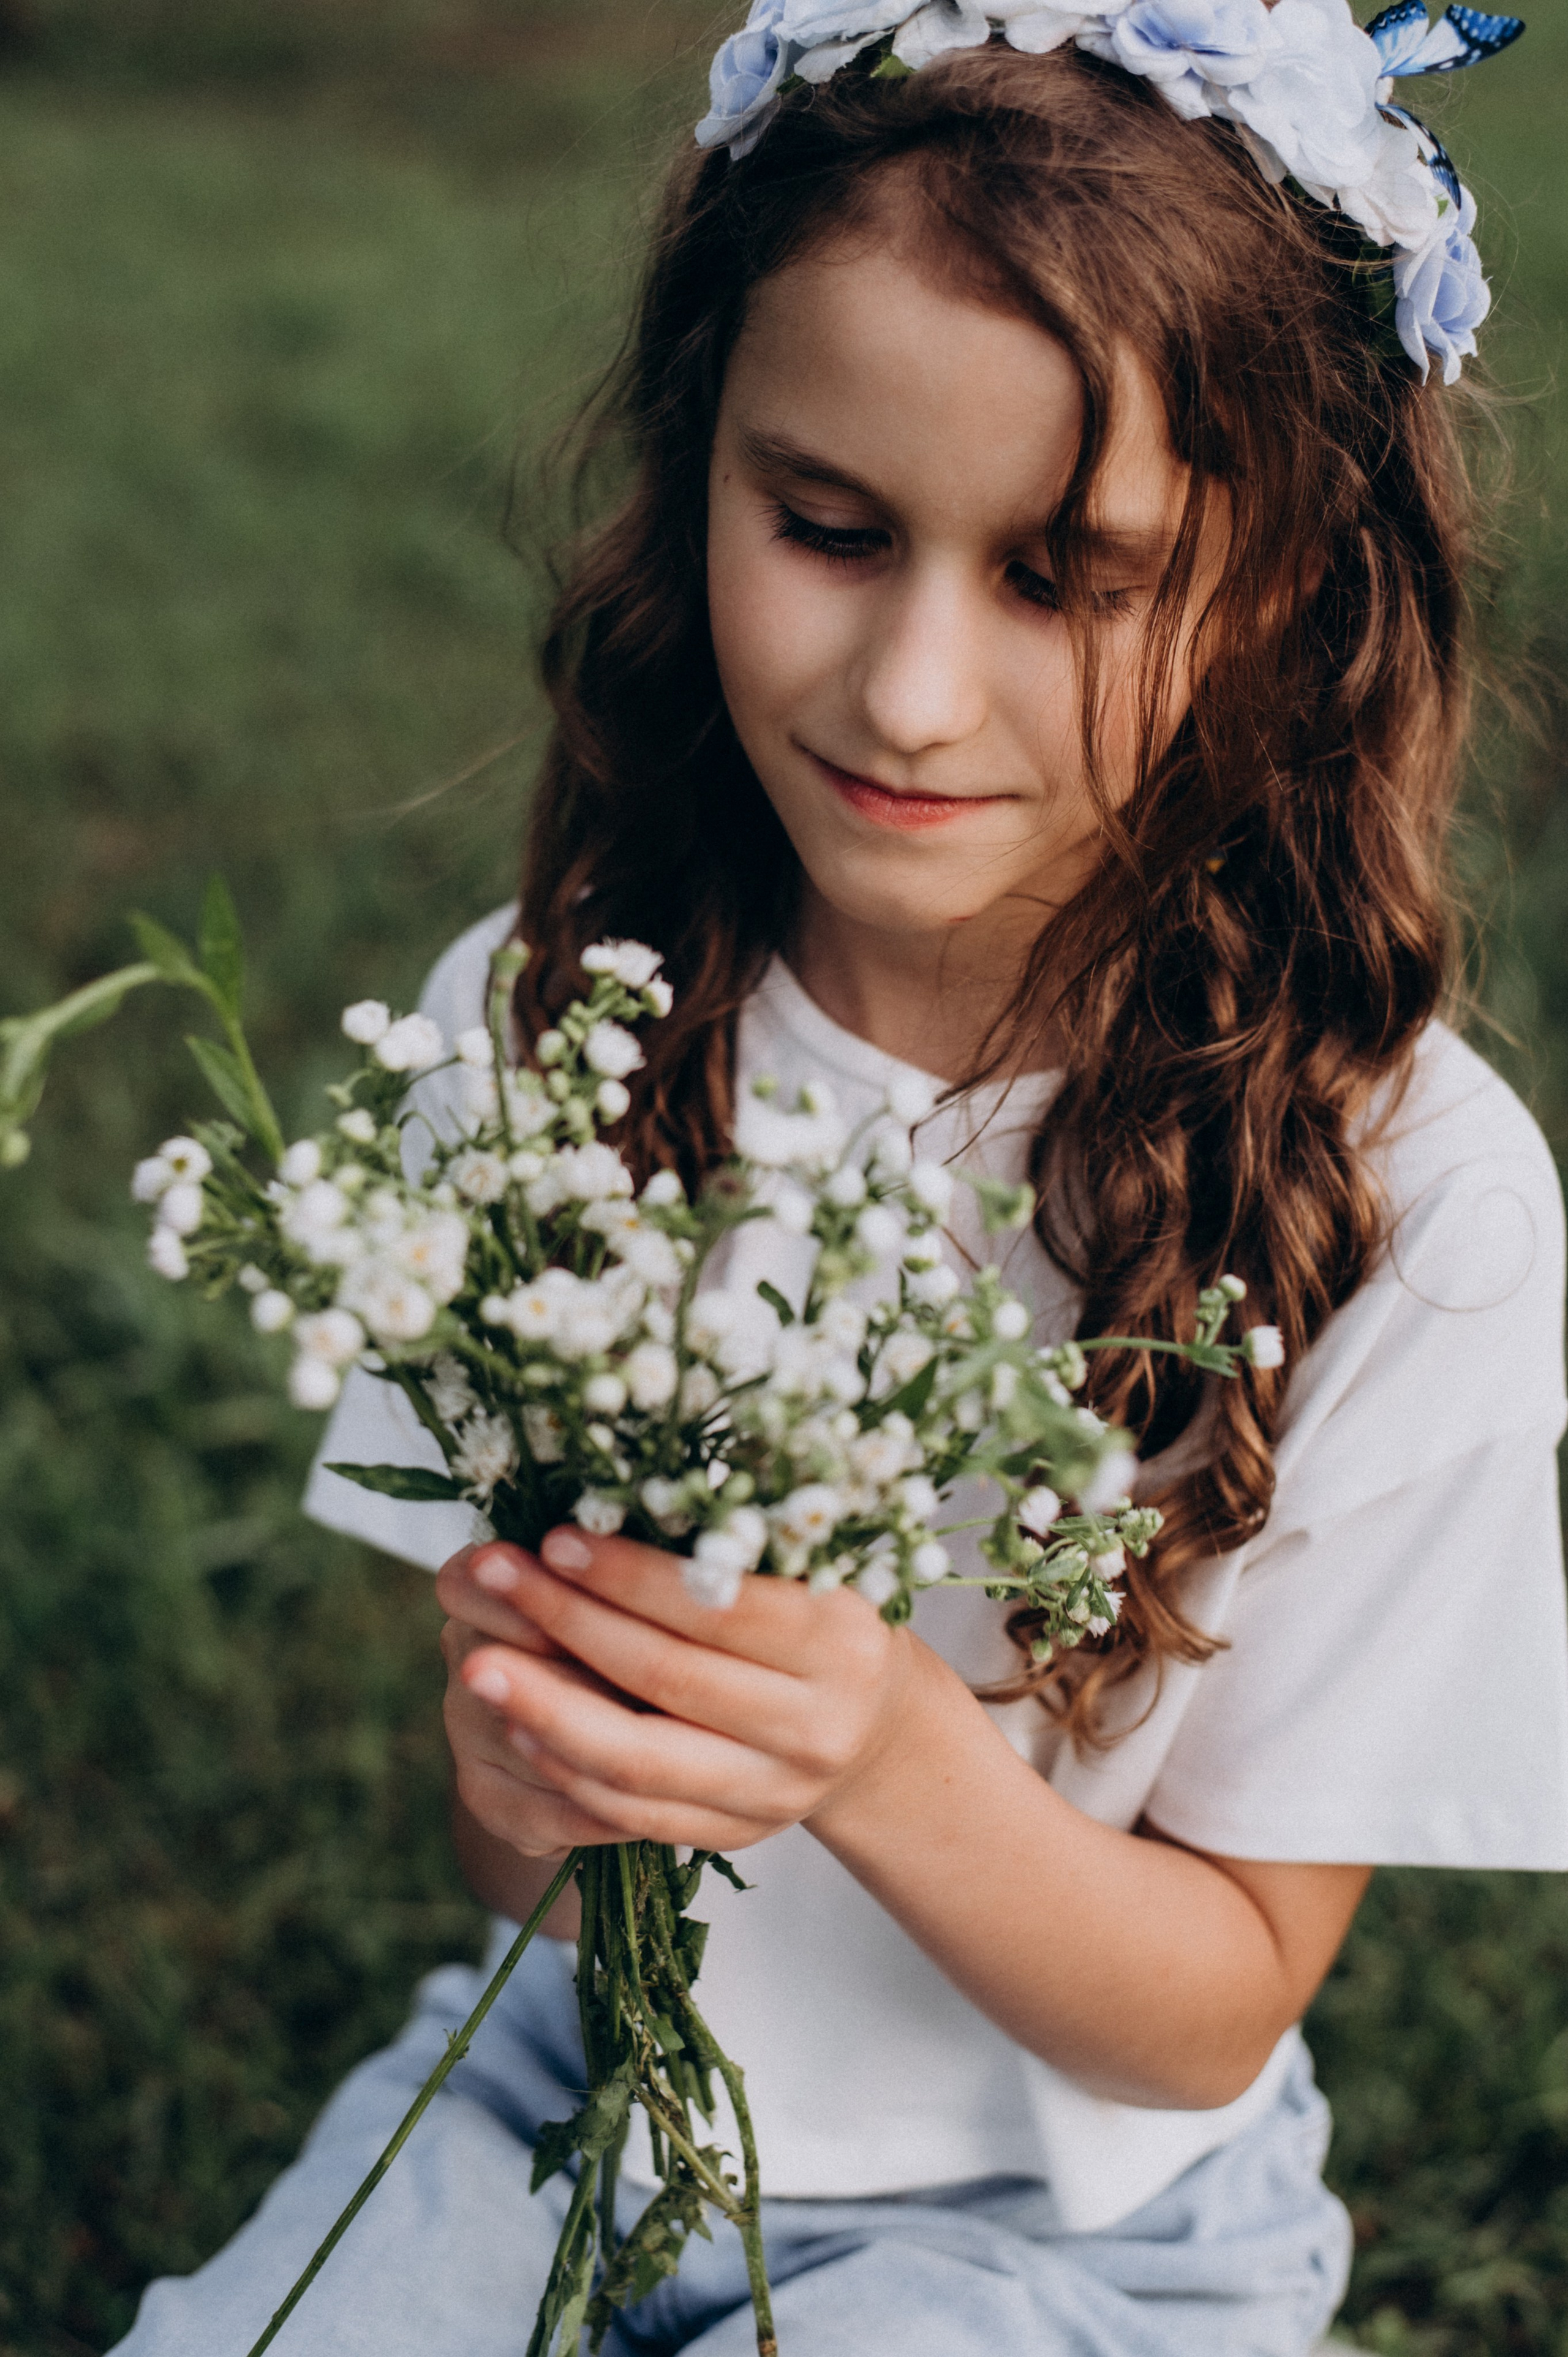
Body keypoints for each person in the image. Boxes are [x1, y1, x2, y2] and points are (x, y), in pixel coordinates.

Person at [111, 6, 1566, 2354]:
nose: (905, 692)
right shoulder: (551, 1029)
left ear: (1294, 587)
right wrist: (530, 1771)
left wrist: (888, 1751)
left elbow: (1205, 2015)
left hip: (1074, 2225)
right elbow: (526, 1879)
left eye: (1066, 578)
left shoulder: (1416, 1203)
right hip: (562, 2101)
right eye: (829, 528)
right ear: (700, 471)